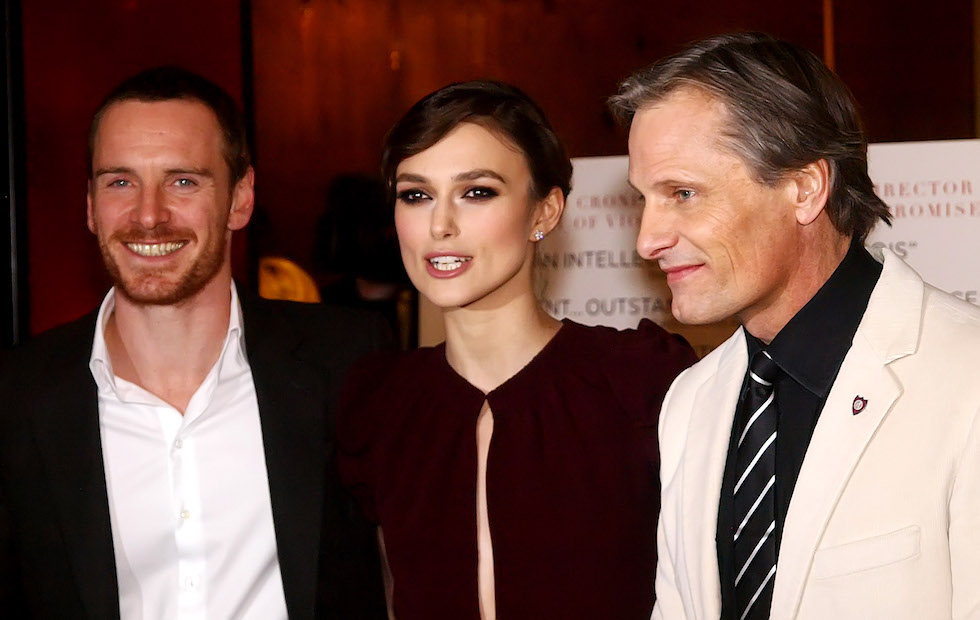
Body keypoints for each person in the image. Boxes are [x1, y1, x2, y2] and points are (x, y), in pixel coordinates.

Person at [610, 32, 980, 620]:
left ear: (805, 188)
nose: (647, 239)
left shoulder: (967, 377)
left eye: (683, 193)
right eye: (643, 200)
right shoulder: (690, 400)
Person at [0, 67, 389, 619]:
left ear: (240, 199)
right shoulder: (17, 398)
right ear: (89, 204)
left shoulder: (348, 363)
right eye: (120, 182)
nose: (148, 215)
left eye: (182, 181)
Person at [337, 80, 696, 619]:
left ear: (544, 212)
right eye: (416, 195)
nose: (440, 225)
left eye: (477, 192)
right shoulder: (379, 405)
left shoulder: (639, 382)